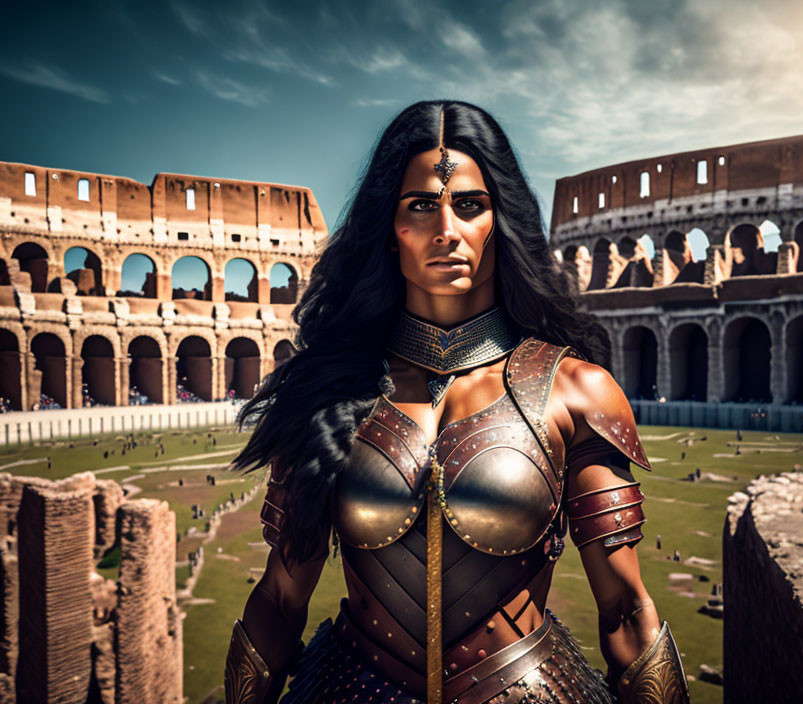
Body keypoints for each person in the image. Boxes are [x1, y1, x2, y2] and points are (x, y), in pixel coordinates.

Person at [225, 101, 688, 704]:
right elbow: (281, 600)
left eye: (469, 205)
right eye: (421, 205)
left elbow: (626, 611)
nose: (447, 228)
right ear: (390, 230)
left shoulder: (574, 391)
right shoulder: (328, 391)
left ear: (502, 222)